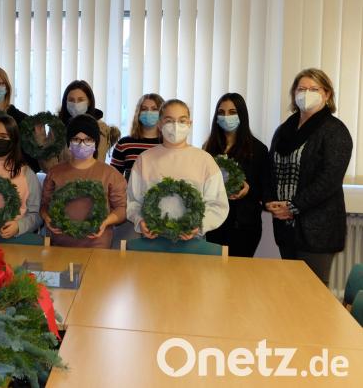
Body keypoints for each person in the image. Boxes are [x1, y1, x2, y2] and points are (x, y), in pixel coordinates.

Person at [265, 68, 352, 284]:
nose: (307, 93)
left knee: (312, 293)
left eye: (314, 89)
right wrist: (271, 202)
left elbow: (329, 180)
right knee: (291, 289)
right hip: (285, 227)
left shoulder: (334, 130)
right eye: (302, 88)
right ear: (294, 94)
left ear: (327, 94)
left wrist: (292, 206)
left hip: (317, 229)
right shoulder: (284, 130)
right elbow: (270, 169)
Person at [126, 99, 229, 241]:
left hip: (193, 240)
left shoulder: (205, 160)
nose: (175, 126)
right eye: (169, 120)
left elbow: (218, 204)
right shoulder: (144, 160)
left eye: (182, 120)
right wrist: (140, 221)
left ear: (189, 124)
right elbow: (133, 201)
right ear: (160, 124)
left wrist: (199, 225)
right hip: (153, 238)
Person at [41, 115, 127, 248]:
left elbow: (122, 209)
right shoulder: (55, 173)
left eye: (88, 139)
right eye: (76, 139)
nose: (82, 144)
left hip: (97, 245)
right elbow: (45, 205)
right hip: (59, 245)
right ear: (69, 142)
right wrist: (47, 218)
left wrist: (105, 221)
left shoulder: (110, 175)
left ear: (95, 143)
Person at [202, 93, 270, 257]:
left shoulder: (258, 149)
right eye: (222, 112)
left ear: (242, 115)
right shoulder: (208, 148)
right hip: (216, 222)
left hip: (244, 225)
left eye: (232, 112)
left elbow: (266, 189)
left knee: (239, 276)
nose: (226, 117)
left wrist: (249, 191)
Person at [42, 80, 121, 171]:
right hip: (60, 182)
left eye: (80, 100)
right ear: (65, 102)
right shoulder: (57, 128)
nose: (75, 104)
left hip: (90, 183)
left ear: (89, 102)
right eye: (71, 100)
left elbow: (98, 164)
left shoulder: (100, 129)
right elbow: (50, 168)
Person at [111, 93, 164, 180]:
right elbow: (113, 178)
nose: (149, 112)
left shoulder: (167, 144)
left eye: (154, 109)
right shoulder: (124, 144)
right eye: (144, 109)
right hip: (130, 193)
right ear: (138, 113)